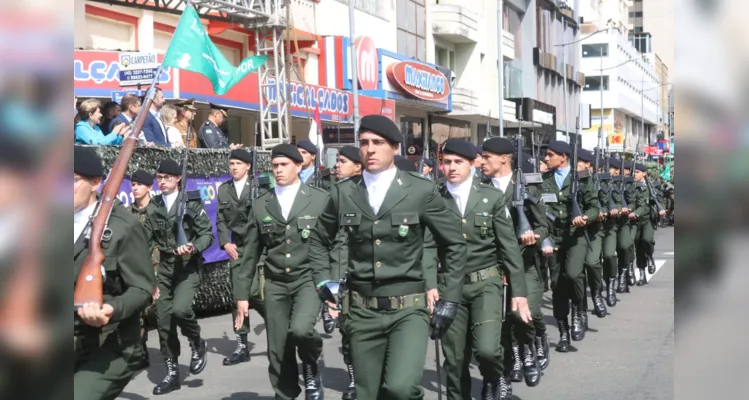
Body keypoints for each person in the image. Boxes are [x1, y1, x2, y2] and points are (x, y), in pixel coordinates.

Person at [308, 114, 467, 400]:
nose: (369, 149)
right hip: (361, 311)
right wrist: (323, 282)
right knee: (368, 393)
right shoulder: (343, 192)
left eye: (378, 143)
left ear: (395, 147)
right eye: (364, 143)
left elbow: (454, 244)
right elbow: (318, 240)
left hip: (408, 309)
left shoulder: (421, 190)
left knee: (401, 389)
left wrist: (450, 298)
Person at [426, 138, 531, 400]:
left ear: (473, 164)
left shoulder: (491, 197)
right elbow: (427, 247)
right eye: (446, 162)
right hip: (449, 287)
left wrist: (519, 293)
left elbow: (509, 248)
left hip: (485, 283)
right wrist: (429, 285)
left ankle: (493, 379)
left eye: (458, 162)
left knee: (487, 350)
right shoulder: (433, 198)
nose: (451, 167)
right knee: (454, 360)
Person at [234, 144, 329, 400]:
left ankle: (310, 361)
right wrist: (242, 295)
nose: (278, 170)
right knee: (277, 346)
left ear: (299, 166)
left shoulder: (320, 199)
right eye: (275, 166)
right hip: (276, 282)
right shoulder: (261, 204)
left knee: (301, 330)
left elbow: (334, 243)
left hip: (308, 279)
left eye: (284, 165)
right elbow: (250, 253)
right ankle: (285, 393)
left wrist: (332, 282)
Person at [74, 146, 155, 400]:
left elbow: (143, 290)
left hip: (110, 346)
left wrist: (112, 309)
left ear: (96, 183)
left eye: (72, 181)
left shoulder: (122, 227)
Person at [480, 137, 550, 389]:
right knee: (499, 324)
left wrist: (534, 235)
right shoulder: (480, 187)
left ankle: (529, 350)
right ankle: (509, 368)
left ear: (504, 158)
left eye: (486, 156)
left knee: (521, 314)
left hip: (524, 262)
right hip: (493, 265)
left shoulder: (527, 188)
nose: (481, 161)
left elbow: (544, 223)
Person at [144, 159, 213, 395]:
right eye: (159, 177)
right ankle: (172, 372)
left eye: (167, 177)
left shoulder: (191, 203)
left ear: (178, 179)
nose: (162, 182)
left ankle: (197, 342)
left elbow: (207, 235)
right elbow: (146, 241)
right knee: (163, 321)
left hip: (188, 267)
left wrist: (193, 247)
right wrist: (146, 275)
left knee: (180, 310)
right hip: (165, 268)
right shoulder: (154, 206)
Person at [540, 141, 599, 352]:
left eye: (550, 155)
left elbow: (594, 207)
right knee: (557, 285)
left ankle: (579, 310)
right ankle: (564, 331)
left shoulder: (582, 178)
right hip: (554, 237)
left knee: (574, 275)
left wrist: (585, 217)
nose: (546, 158)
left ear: (563, 157)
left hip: (576, 236)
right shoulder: (543, 180)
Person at [216, 149, 267, 366]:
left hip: (261, 248)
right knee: (238, 296)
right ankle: (241, 344)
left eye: (239, 163)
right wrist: (224, 242)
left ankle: (278, 326)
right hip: (238, 247)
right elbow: (219, 219)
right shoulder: (224, 190)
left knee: (257, 292)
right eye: (232, 163)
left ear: (248, 166)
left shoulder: (260, 187)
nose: (234, 167)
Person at [327, 145, 363, 399]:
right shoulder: (337, 192)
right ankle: (353, 379)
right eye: (337, 160)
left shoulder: (367, 190)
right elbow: (335, 241)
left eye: (343, 161)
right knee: (347, 329)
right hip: (344, 273)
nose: (337, 165)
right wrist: (333, 283)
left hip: (370, 274)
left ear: (358, 166)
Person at [126, 169, 161, 371]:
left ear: (149, 187)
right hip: (136, 268)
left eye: (140, 184)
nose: (135, 188)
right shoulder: (127, 214)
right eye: (133, 184)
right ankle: (141, 349)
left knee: (155, 310)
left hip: (157, 267)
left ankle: (169, 350)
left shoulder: (158, 210)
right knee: (138, 310)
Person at [577, 149, 607, 321]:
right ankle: (580, 309)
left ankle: (596, 292)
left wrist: (602, 212)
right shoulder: (573, 181)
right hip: (576, 230)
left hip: (594, 229)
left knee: (592, 262)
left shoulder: (598, 181)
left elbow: (605, 202)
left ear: (589, 165)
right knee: (576, 273)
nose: (576, 165)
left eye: (580, 162)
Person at [632, 163, 666, 285]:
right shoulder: (630, 186)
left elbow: (661, 200)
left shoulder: (652, 187)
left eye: (637, 172)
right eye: (634, 172)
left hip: (647, 219)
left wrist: (661, 209)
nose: (635, 174)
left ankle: (650, 256)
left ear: (644, 173)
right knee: (638, 247)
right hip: (634, 221)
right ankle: (642, 275)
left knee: (647, 240)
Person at [601, 158, 622, 307]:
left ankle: (610, 286)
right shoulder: (586, 182)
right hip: (589, 228)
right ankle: (597, 292)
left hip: (609, 226)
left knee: (609, 255)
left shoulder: (614, 185)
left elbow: (620, 203)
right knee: (592, 263)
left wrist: (615, 210)